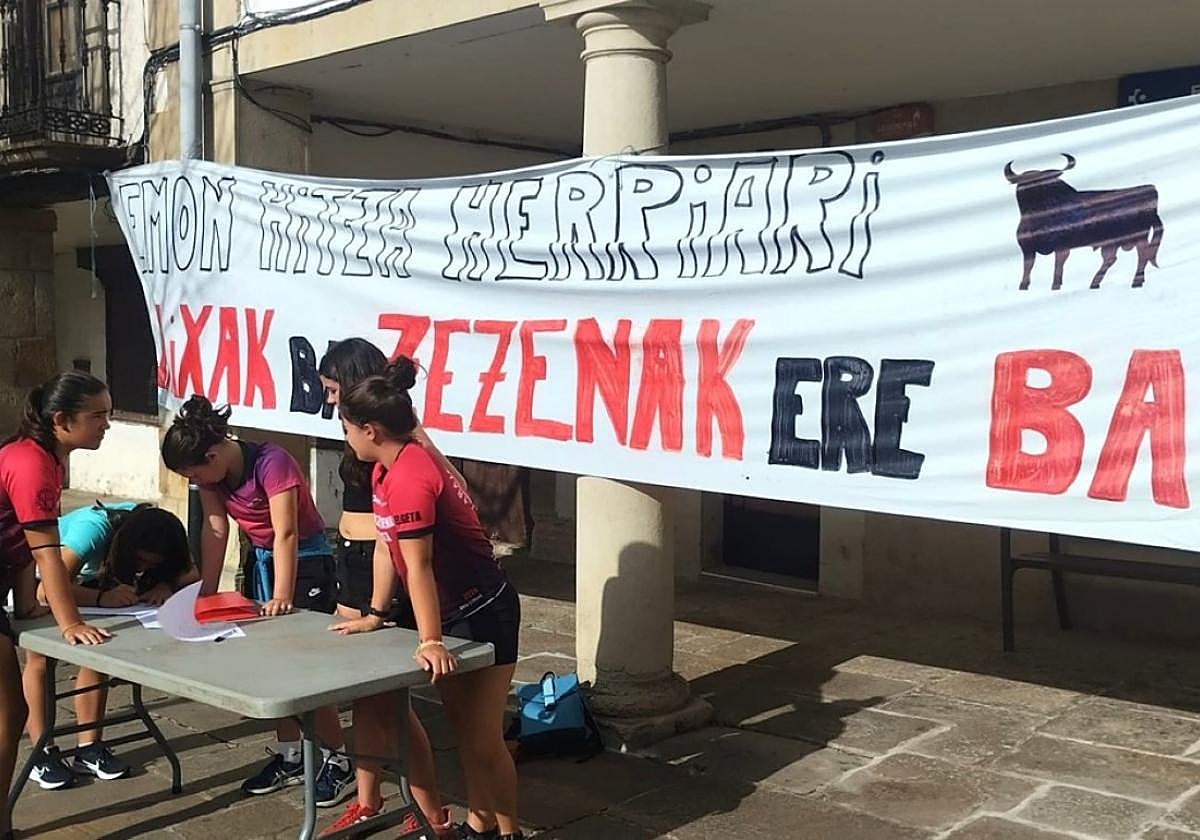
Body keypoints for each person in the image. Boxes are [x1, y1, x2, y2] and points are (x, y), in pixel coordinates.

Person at [330, 357, 523, 840]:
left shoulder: (413, 474)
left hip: (484, 611)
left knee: (483, 740)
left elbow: (418, 564)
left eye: (348, 427)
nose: (346, 436)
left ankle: (510, 833)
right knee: (467, 737)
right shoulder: (382, 469)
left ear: (370, 429)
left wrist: (431, 639)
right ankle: (480, 827)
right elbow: (386, 546)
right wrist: (376, 614)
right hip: (451, 612)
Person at [160, 396, 356, 808]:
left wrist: (283, 595)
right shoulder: (213, 475)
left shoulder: (272, 461)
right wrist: (206, 593)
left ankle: (338, 759)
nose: (196, 481)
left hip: (304, 562)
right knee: (271, 665)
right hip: (261, 561)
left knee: (305, 668)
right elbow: (216, 528)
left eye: (195, 473)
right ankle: (290, 755)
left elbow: (286, 531)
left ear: (212, 455)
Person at [316, 338, 460, 837]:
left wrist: (428, 632)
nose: (330, 401)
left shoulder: (399, 436)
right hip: (355, 562)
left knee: (392, 703)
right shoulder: (358, 431)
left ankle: (432, 815)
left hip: (388, 564)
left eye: (334, 389)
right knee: (359, 695)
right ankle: (367, 800)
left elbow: (445, 484)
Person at [0, 372, 112, 840]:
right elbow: (47, 552)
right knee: (7, 712)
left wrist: (26, 606)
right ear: (61, 420)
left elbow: (22, 544)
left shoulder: (47, 458)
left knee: (11, 712)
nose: (107, 424)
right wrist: (70, 623)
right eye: (98, 416)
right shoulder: (31, 463)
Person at [23, 504, 198, 790]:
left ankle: (89, 747)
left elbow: (192, 573)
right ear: (127, 548)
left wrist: (166, 584)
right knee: (40, 656)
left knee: (97, 651)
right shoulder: (92, 530)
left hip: (86, 584)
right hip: (37, 584)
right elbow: (44, 590)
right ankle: (41, 752)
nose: (143, 570)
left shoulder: (161, 531)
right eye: (141, 561)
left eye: (153, 566)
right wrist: (102, 598)